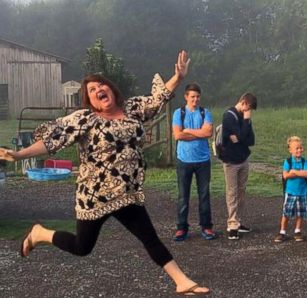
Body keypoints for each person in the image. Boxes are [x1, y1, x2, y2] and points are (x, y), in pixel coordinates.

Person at [0, 51, 210, 295]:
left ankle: (181, 281)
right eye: (91, 90)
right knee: (82, 247)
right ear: (91, 101)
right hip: (95, 196)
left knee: (149, 237)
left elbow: (158, 98)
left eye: (101, 85)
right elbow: (51, 141)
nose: (98, 89)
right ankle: (39, 234)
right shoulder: (86, 120)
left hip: (125, 192)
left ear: (111, 89)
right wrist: (18, 154)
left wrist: (177, 77)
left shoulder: (131, 109)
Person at [172, 83, 217, 241]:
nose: (195, 99)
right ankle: (181, 228)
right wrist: (200, 133)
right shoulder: (179, 113)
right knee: (183, 196)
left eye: (197, 96)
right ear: (186, 97)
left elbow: (209, 132)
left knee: (204, 195)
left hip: (203, 160)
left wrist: (189, 131)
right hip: (184, 160)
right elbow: (178, 135)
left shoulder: (205, 113)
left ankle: (206, 226)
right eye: (192, 97)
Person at [220, 92, 257, 240]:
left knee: (241, 192)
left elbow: (250, 139)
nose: (250, 112)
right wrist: (246, 123)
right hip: (230, 161)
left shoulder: (244, 117)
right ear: (244, 103)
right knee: (232, 192)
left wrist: (241, 135)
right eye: (249, 109)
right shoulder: (229, 116)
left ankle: (238, 220)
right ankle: (232, 225)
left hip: (243, 159)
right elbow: (241, 136)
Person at [274, 136, 307, 243]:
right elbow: (285, 175)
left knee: (300, 213)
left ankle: (297, 231)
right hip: (290, 192)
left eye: (300, 148)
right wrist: (297, 173)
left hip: (302, 192)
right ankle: (282, 231)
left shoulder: (305, 161)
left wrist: (294, 172)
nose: (299, 150)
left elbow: (306, 173)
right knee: (286, 212)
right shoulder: (288, 161)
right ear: (290, 150)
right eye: (296, 148)